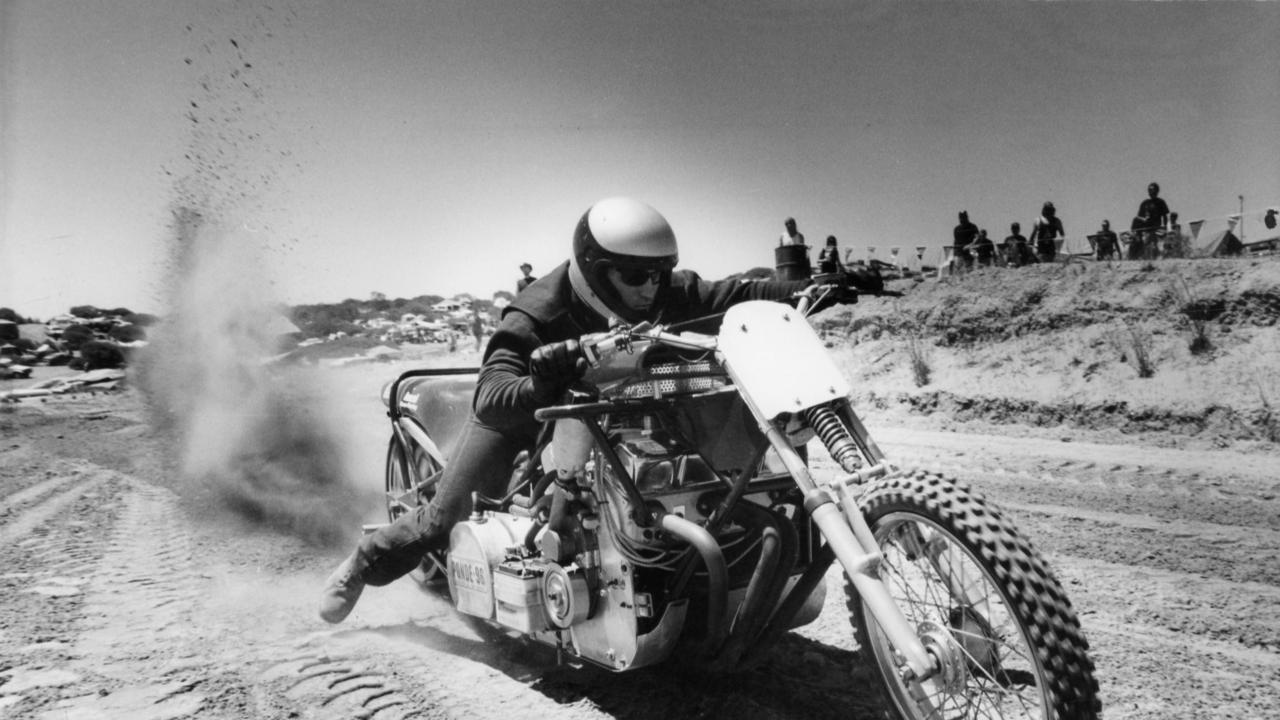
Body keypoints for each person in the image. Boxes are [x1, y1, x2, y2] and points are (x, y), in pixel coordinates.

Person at [317, 197, 880, 624]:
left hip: (614, 403)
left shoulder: (662, 289)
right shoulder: (538, 312)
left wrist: (813, 285)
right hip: (528, 410)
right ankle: (366, 560)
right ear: (595, 266)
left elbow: (731, 293)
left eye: (659, 272)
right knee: (445, 517)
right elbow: (493, 396)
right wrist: (544, 374)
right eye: (635, 275)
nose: (650, 286)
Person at [1135, 182, 1170, 259]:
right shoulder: (1145, 203)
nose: (1151, 192)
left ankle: (1160, 263)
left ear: (1157, 191)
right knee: (1146, 247)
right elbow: (1138, 217)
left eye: (1153, 190)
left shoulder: (1161, 202)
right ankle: (1148, 263)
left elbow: (1165, 216)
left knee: (1159, 247)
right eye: (1149, 190)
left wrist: (1166, 228)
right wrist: (1143, 220)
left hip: (1158, 227)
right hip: (1146, 229)